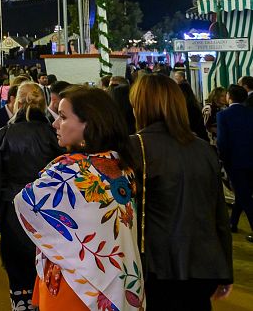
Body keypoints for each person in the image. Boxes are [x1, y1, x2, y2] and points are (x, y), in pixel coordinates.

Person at [15, 86, 144, 310]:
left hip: (74, 283)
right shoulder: (122, 166)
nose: (55, 123)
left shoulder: (68, 170)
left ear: (89, 124)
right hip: (114, 278)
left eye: (63, 117)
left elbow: (26, 202)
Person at [128, 73, 233, 309]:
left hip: (156, 266)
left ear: (142, 106)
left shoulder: (134, 147)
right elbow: (219, 215)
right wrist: (225, 270)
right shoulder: (204, 149)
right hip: (204, 264)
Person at [0, 82, 61, 310]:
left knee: (16, 271)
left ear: (17, 103)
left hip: (13, 211)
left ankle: (21, 305)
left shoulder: (5, 133)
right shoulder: (53, 134)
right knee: (45, 268)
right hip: (49, 214)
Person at [217, 84, 253, 243]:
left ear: (229, 97)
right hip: (251, 160)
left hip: (235, 162)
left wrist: (224, 161)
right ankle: (233, 222)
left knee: (245, 197)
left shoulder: (223, 115)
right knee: (243, 193)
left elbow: (222, 142)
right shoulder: (250, 113)